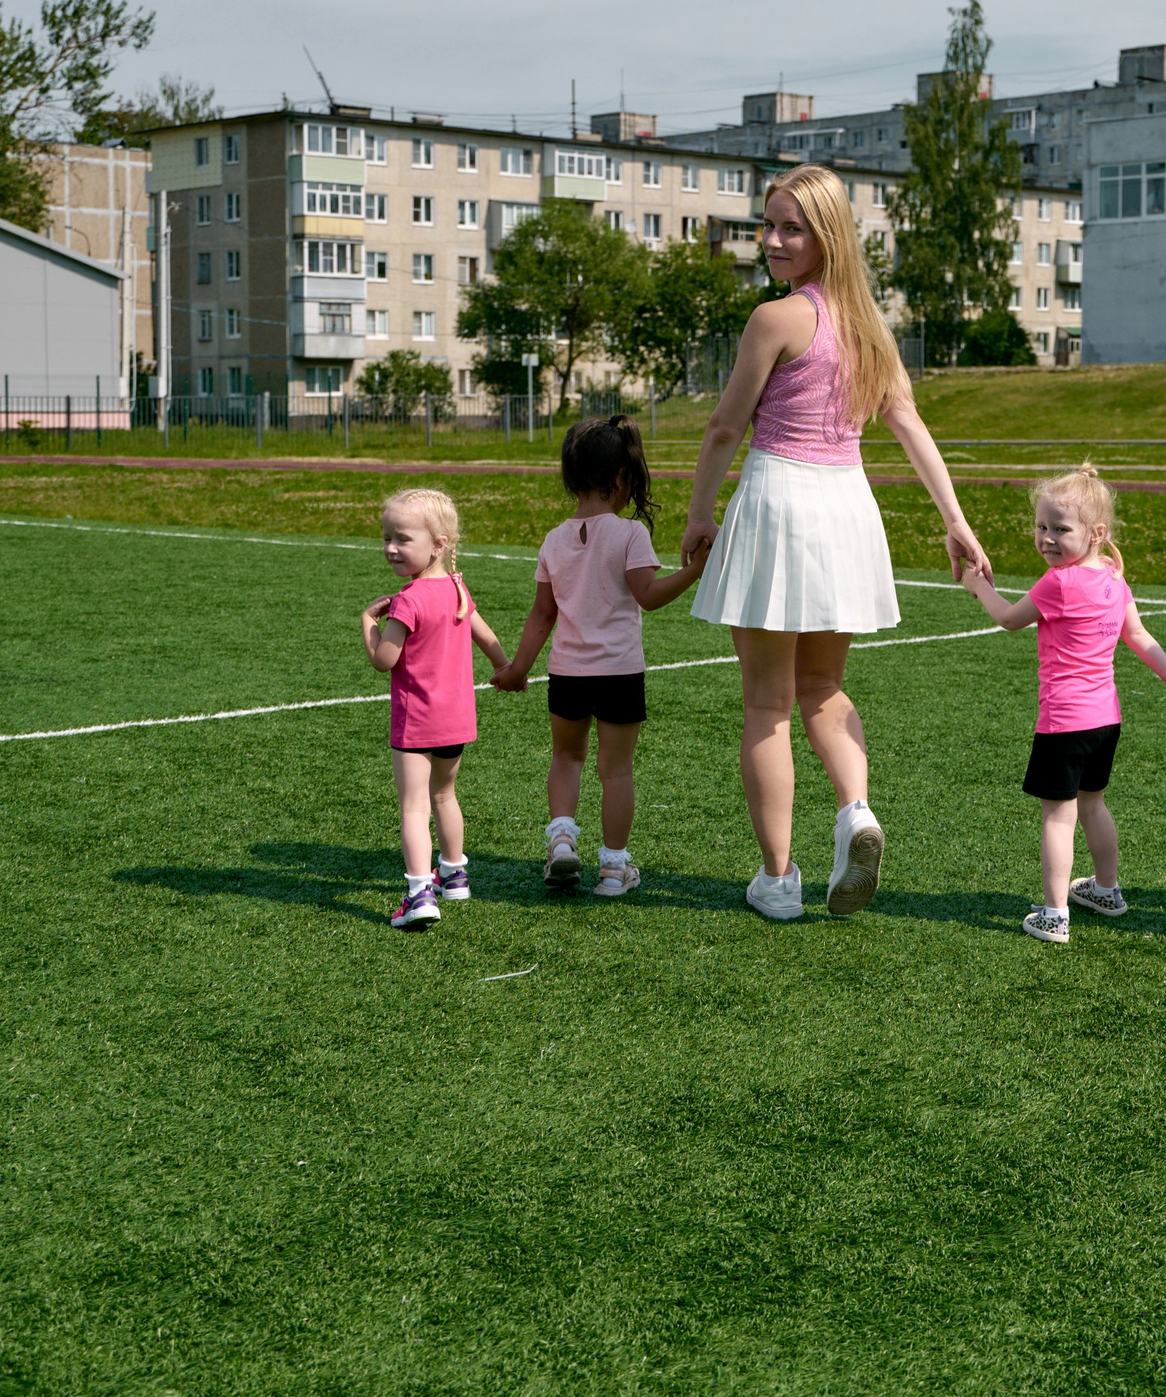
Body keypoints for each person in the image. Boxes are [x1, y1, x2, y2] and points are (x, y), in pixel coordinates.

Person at [680, 163, 992, 922]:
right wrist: (954, 518)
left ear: (827, 237)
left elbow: (724, 427)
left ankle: (778, 880)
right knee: (822, 687)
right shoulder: (869, 328)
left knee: (767, 704)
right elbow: (910, 425)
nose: (773, 240)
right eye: (768, 224)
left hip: (779, 502)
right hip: (847, 508)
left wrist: (698, 513)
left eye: (792, 228)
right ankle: (856, 810)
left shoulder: (774, 318)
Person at [957, 466, 1166, 944]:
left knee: (1058, 816)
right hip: (1105, 721)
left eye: (1060, 529)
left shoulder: (1057, 583)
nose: (1047, 538)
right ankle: (1106, 890)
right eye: (1041, 526)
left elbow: (1008, 619)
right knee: (1093, 805)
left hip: (1064, 723)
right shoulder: (1114, 578)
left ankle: (1055, 915)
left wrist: (979, 587)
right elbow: (1139, 635)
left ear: (1096, 533)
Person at [493, 416, 708, 897]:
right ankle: (613, 869)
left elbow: (542, 615)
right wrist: (695, 570)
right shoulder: (630, 534)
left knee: (566, 757)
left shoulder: (553, 539)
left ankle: (562, 843)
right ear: (620, 478)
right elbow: (649, 596)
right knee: (616, 771)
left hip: (567, 673)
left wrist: (516, 669)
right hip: (619, 673)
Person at [359, 488, 509, 931]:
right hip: (456, 721)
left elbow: (384, 660)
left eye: (402, 539)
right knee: (445, 795)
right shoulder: (456, 587)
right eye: (387, 537)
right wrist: (504, 666)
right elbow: (484, 634)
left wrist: (368, 624)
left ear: (438, 544)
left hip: (416, 722)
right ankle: (454, 874)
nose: (391, 548)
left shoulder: (408, 599)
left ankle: (419, 892)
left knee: (413, 806)